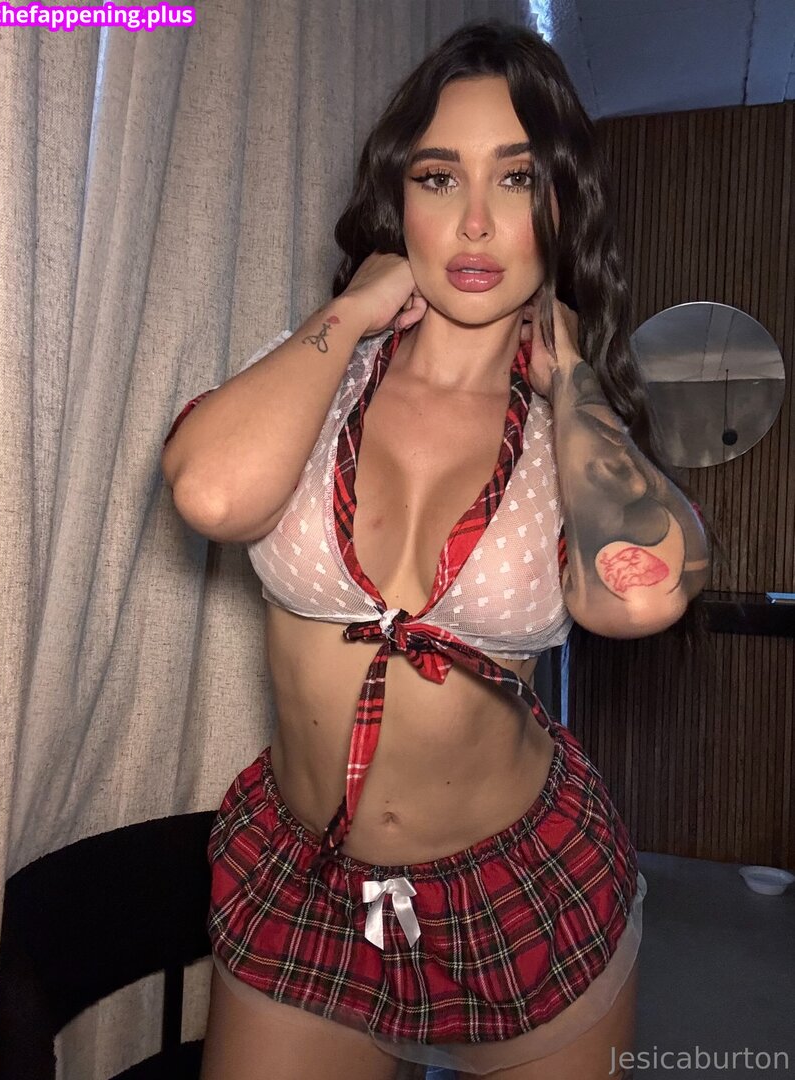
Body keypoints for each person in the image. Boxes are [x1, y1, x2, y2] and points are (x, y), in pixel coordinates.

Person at [161, 19, 710, 1080]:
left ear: (562, 205)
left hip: (518, 887)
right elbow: (212, 492)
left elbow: (638, 597)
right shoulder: (322, 373)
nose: (474, 221)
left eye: (517, 178)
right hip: (312, 883)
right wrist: (358, 305)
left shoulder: (571, 433)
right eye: (438, 175)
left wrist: (571, 380)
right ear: (397, 196)